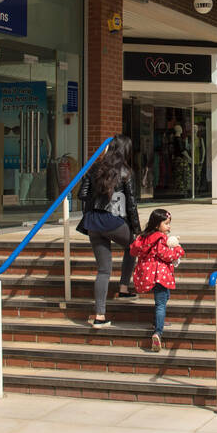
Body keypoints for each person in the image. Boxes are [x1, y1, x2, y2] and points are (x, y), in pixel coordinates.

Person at [76, 135, 141, 328]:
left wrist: (99, 193)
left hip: (93, 222)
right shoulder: (126, 172)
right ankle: (123, 288)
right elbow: (131, 203)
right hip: (113, 221)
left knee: (103, 270)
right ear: (125, 151)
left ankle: (100, 316)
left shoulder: (95, 168)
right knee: (133, 247)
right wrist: (136, 229)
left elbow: (82, 194)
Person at [129, 208, 184, 352]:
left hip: (147, 273)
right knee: (161, 303)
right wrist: (178, 250)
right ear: (156, 225)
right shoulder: (160, 238)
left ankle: (157, 322)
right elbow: (165, 255)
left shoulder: (143, 238)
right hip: (160, 274)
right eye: (166, 224)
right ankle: (158, 332)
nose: (169, 227)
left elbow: (133, 250)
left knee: (164, 297)